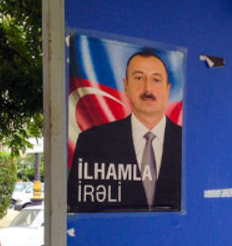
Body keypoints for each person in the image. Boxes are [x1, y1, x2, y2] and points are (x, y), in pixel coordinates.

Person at [68, 51, 182, 213]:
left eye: (156, 80)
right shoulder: (92, 141)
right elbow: (75, 207)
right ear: (125, 86)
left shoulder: (188, 143)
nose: (148, 89)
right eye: (139, 78)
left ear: (167, 89)